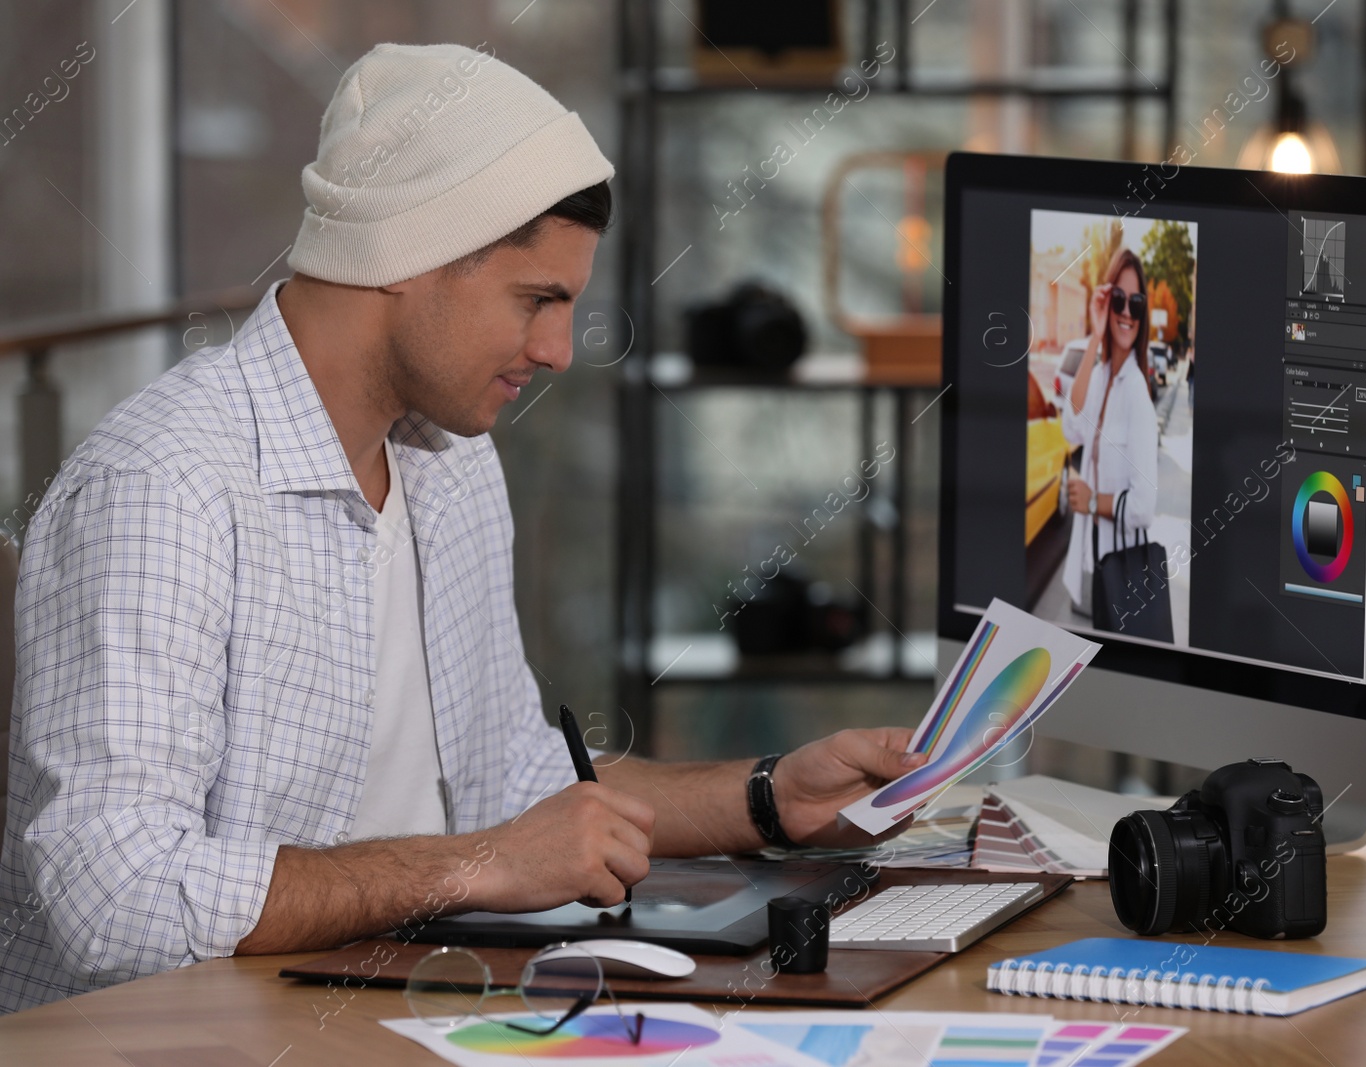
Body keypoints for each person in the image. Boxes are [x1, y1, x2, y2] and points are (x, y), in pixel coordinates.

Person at [0, 43, 926, 1014]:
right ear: (407, 255)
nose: (560, 350)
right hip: (187, 1037)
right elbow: (115, 900)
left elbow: (508, 780)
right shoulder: (163, 488)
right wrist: (476, 864)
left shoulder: (451, 459)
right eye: (536, 301)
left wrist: (770, 795)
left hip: (393, 1006)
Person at [1059, 248, 1160, 619]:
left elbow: (1143, 507)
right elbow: (1072, 426)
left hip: (1123, 569)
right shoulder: (1101, 377)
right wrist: (1093, 337)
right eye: (1118, 299)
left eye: (1136, 303)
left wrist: (1090, 501)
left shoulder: (1135, 393)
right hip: (1096, 563)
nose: (1126, 312)